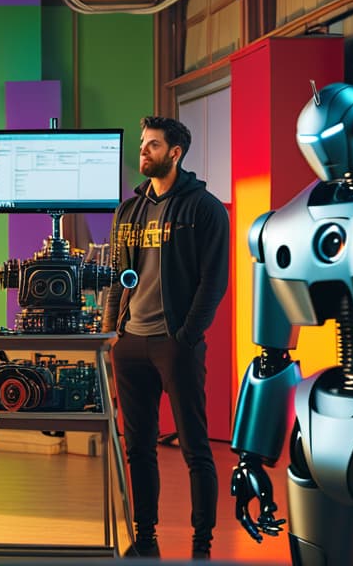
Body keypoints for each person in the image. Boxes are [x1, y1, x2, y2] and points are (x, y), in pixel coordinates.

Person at [101, 115, 229, 560]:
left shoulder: (203, 208)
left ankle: (202, 546)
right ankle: (147, 539)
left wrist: (186, 335)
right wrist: (111, 330)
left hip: (175, 344)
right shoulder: (128, 210)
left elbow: (214, 281)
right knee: (138, 449)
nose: (143, 151)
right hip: (132, 343)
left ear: (175, 153)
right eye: (142, 144)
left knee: (196, 448)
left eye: (152, 145)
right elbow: (119, 275)